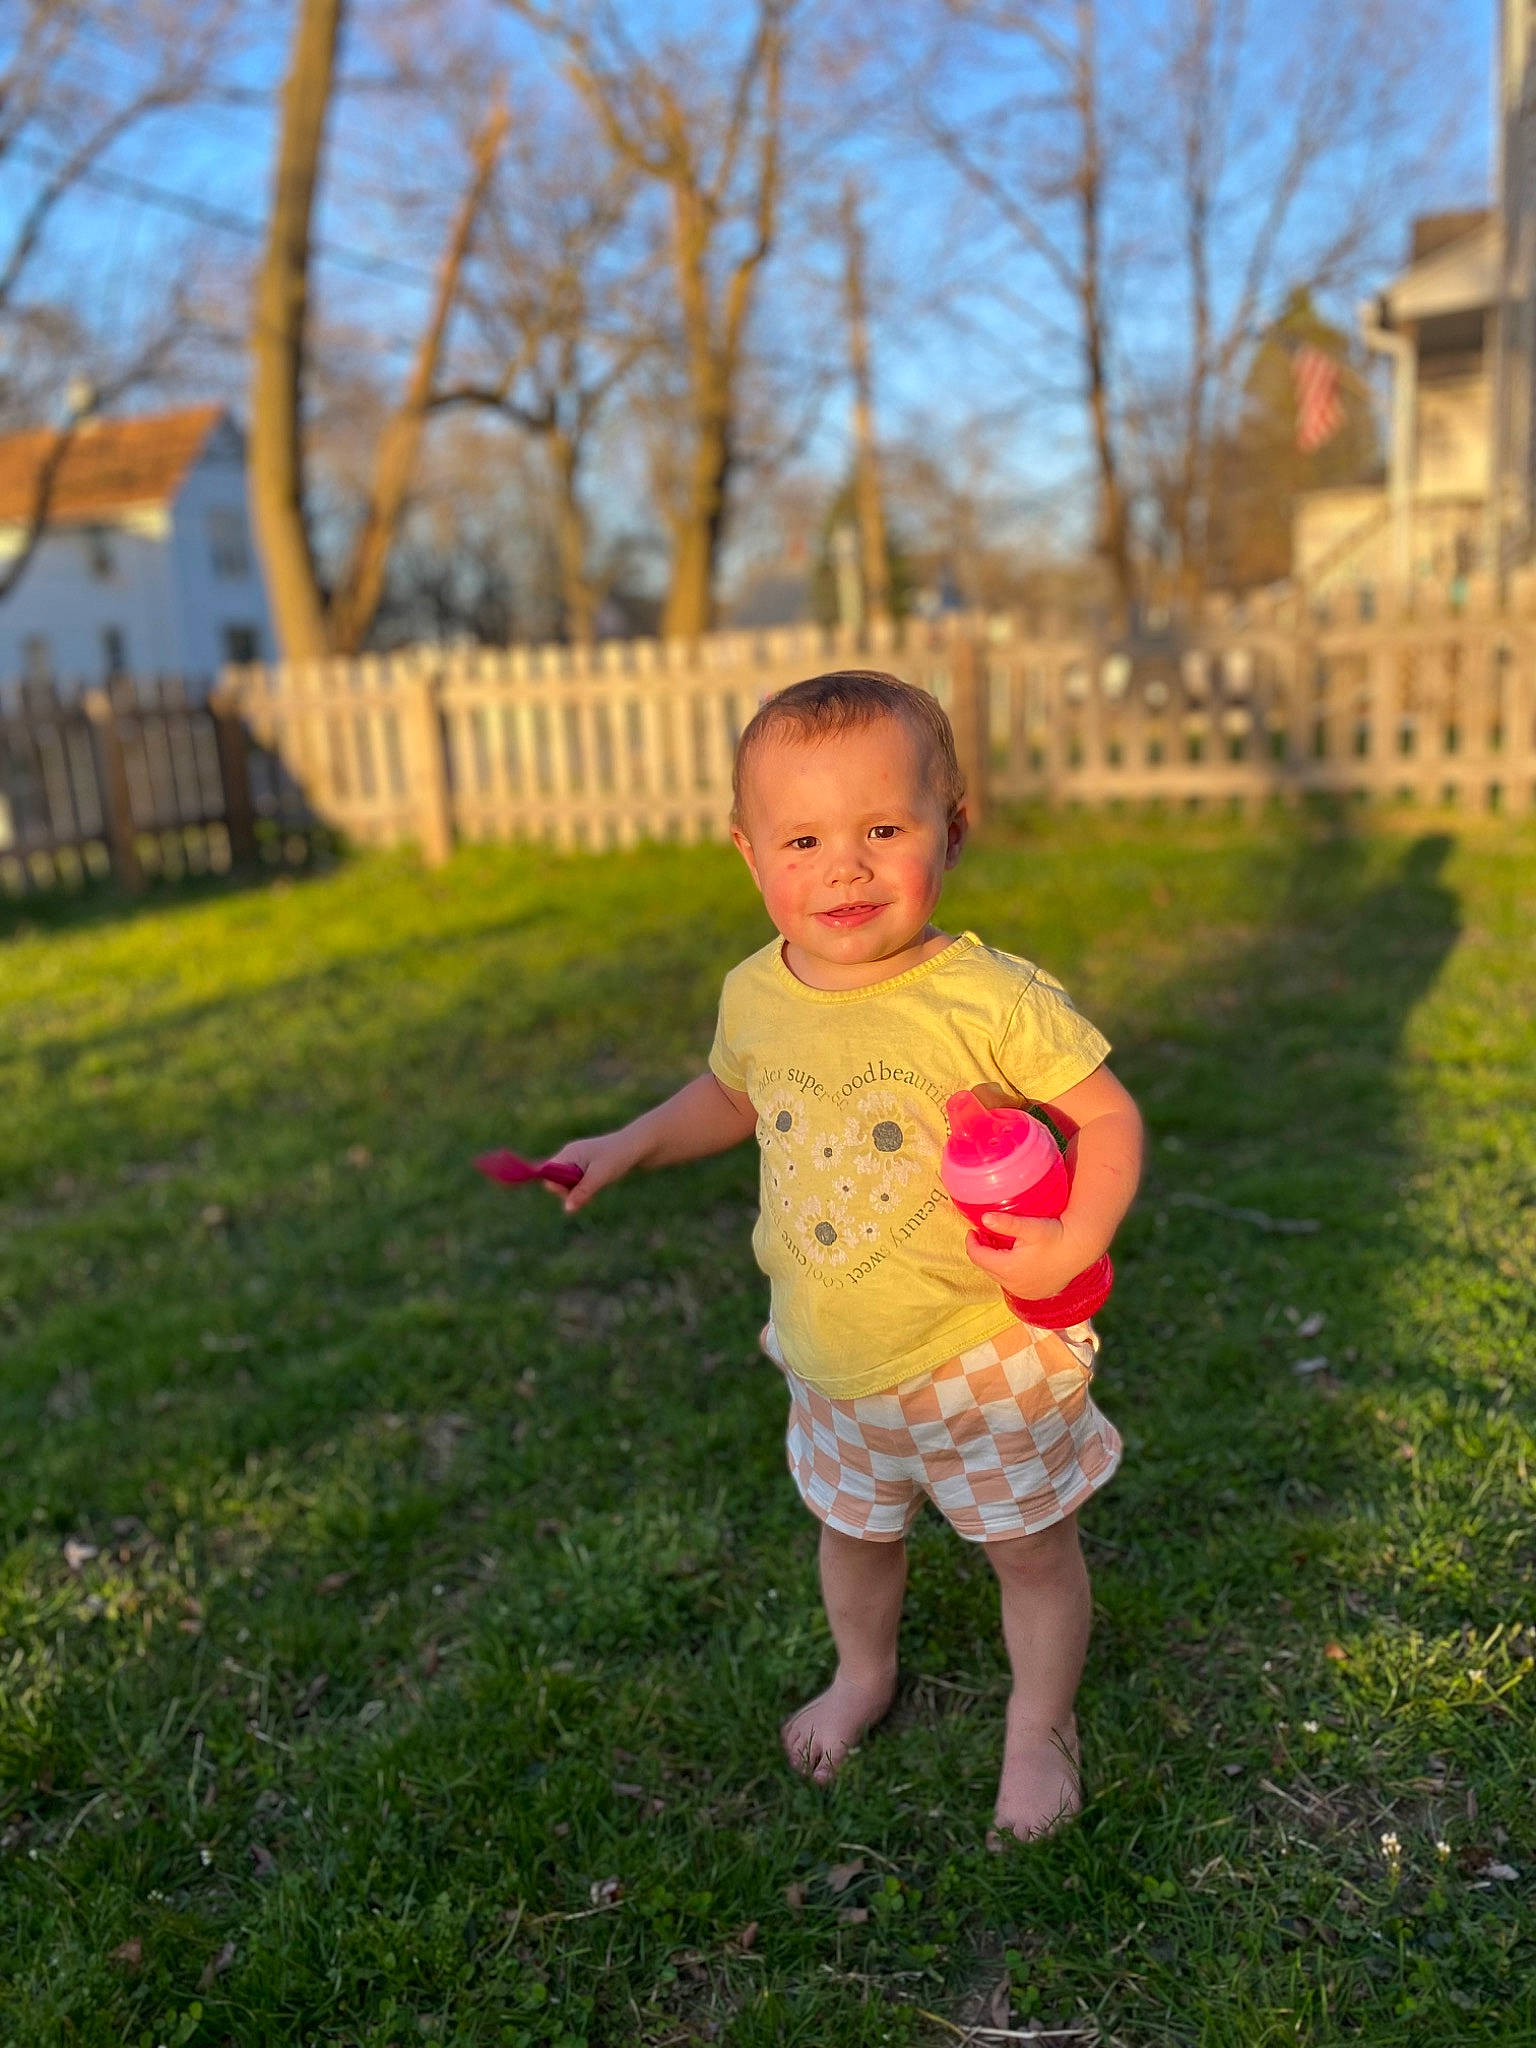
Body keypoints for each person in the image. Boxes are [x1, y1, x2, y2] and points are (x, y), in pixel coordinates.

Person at [546, 670, 1143, 1843]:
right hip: (829, 1359)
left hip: (981, 1355)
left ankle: (1041, 1723)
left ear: (953, 829)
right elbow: (729, 1092)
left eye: (883, 830)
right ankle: (863, 1674)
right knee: (854, 1536)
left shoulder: (984, 995)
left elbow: (1110, 1117)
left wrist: (1072, 1240)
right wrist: (627, 1143)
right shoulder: (755, 992)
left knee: (1028, 1549)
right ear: (747, 851)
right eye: (804, 837)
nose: (843, 867)